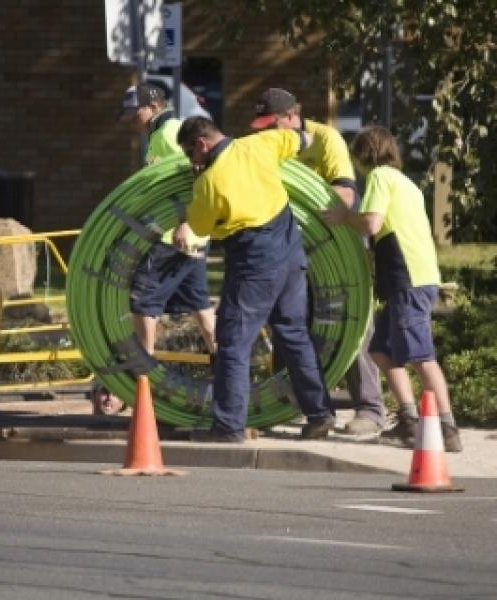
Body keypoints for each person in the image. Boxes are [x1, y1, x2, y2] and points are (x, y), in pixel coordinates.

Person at [177, 116, 334, 442]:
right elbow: (302, 139)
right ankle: (319, 414)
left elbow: (200, 229)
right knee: (294, 335)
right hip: (291, 255)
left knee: (233, 343)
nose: (191, 161)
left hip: (254, 264)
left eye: (190, 153)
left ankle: (228, 427)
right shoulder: (261, 143)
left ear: (202, 144)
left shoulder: (210, 181)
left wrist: (186, 213)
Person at [250, 87, 385, 436]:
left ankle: (369, 409)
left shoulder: (326, 140)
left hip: (334, 245)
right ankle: (295, 402)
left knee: (352, 322)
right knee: (290, 321)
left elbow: (344, 193)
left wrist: (304, 207)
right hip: (291, 244)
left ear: (292, 117)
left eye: (271, 124)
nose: (265, 132)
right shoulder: (268, 144)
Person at [321, 125, 463, 452]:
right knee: (380, 349)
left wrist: (343, 217)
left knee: (421, 356)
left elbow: (372, 222)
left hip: (407, 277)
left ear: (364, 154)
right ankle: (409, 422)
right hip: (414, 275)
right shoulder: (406, 183)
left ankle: (447, 427)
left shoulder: (380, 177)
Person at [118, 83, 216, 355]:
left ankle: (143, 373)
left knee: (142, 300)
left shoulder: (168, 132)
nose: (132, 121)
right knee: (200, 305)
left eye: (134, 113)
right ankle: (225, 363)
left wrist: (185, 222)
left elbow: (198, 175)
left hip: (173, 236)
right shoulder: (161, 133)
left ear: (153, 107)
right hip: (189, 236)